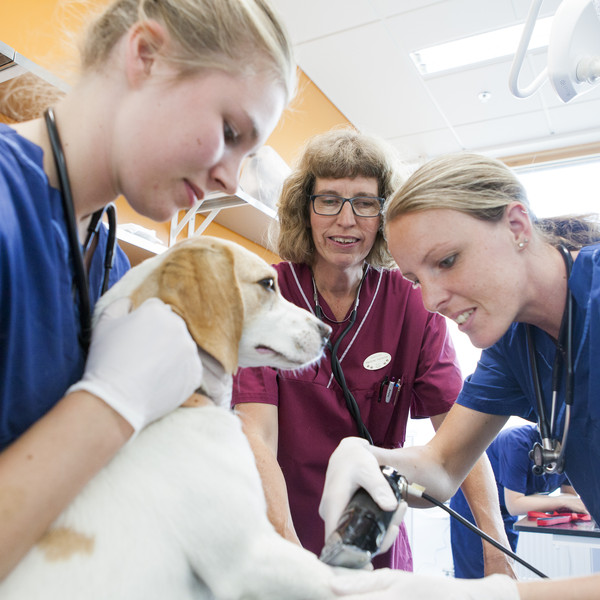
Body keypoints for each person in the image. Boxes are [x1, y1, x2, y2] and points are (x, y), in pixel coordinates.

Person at [0, 0, 295, 580]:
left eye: (248, 155)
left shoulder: (107, 267)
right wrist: (112, 403)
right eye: (230, 132)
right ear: (147, 55)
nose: (230, 180)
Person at [318, 152, 600, 599]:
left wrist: (488, 595)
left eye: (447, 261)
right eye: (414, 279)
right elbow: (443, 466)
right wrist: (368, 457)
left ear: (516, 226)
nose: (430, 300)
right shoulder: (514, 343)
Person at [232, 130, 515, 574]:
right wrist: (287, 552)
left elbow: (461, 436)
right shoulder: (269, 294)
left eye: (364, 202)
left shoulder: (413, 302)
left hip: (375, 535)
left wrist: (497, 552)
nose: (346, 220)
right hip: (281, 530)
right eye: (328, 200)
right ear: (305, 210)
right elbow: (256, 435)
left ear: (384, 216)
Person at [450, 423, 586, 579]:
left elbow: (570, 496)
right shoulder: (517, 442)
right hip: (474, 506)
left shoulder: (571, 451)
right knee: (476, 576)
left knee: (504, 572)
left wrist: (571, 502)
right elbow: (515, 504)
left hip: (505, 510)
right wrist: (563, 501)